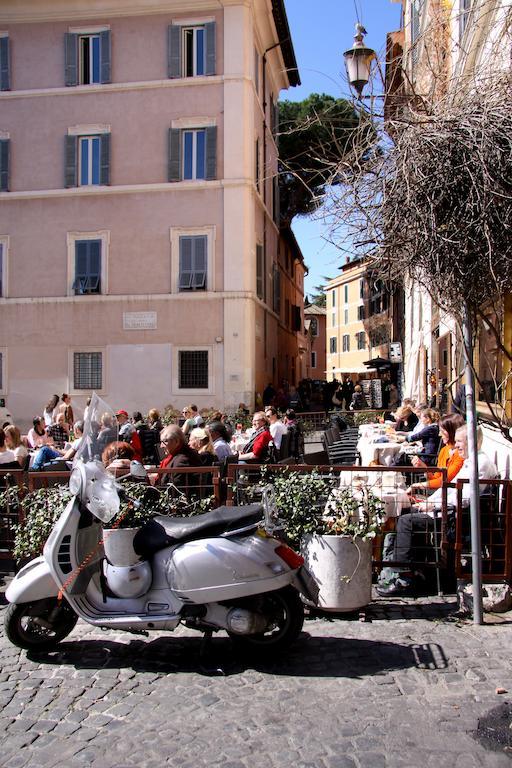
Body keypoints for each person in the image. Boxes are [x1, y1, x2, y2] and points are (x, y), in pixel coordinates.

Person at [377, 424, 498, 596]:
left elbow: (463, 499)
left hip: (454, 518)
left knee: (406, 521)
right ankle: (417, 569)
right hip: (450, 511)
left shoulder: (478, 464)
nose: (455, 446)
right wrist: (428, 502)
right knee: (405, 512)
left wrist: (433, 505)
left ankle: (406, 577)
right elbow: (449, 489)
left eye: (459, 442)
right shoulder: (472, 461)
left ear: (471, 442)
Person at [407, 414, 465, 493]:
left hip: (451, 495)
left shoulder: (461, 455)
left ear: (452, 432)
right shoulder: (444, 450)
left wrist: (416, 485)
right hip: (440, 493)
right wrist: (424, 468)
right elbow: (435, 478)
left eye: (442, 431)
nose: (439, 434)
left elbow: (443, 481)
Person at [158, 425, 202, 490]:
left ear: (176, 441)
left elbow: (174, 489)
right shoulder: (185, 454)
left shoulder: (182, 460)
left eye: (164, 441)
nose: (161, 446)